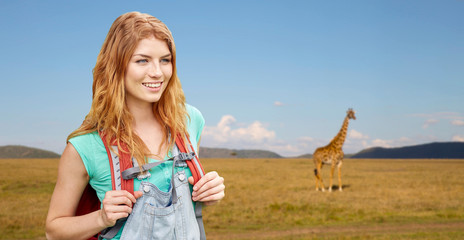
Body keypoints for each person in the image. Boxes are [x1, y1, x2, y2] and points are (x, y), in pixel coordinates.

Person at [46, 11, 225, 240]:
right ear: (117, 66)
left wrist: (209, 194)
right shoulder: (85, 146)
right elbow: (53, 231)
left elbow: (185, 207)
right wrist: (101, 218)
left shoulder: (190, 119)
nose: (157, 72)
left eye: (165, 60)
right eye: (142, 60)